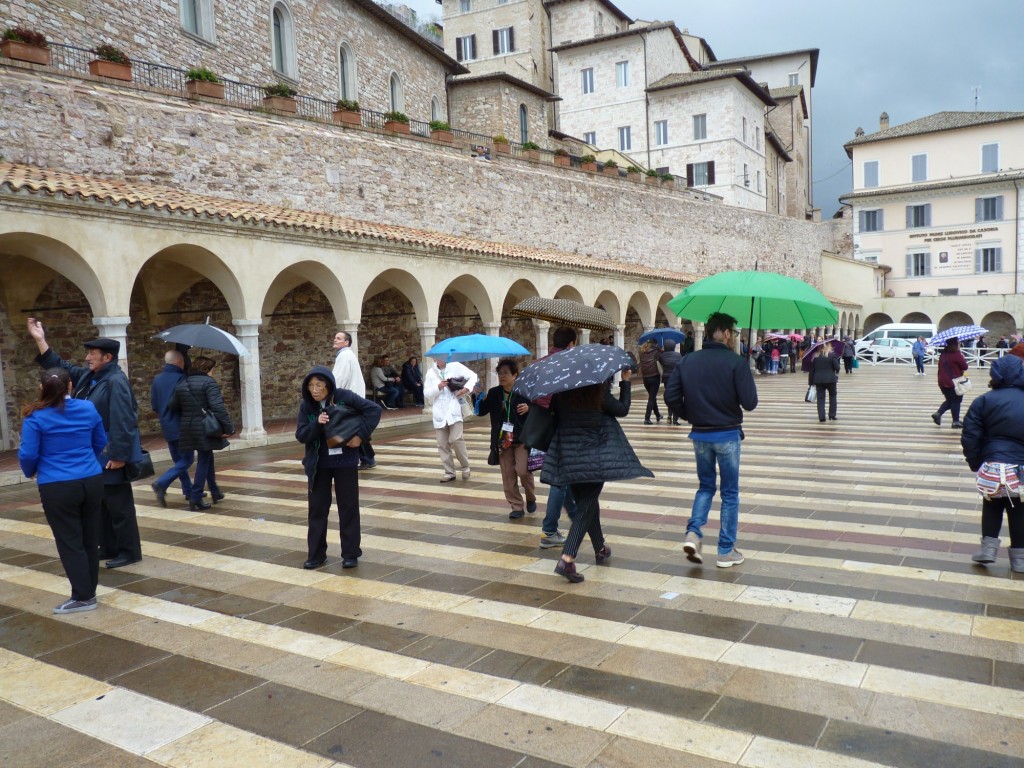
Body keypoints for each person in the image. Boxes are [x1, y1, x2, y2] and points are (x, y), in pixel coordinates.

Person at [27, 318, 144, 570]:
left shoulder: (115, 381)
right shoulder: (90, 377)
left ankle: (129, 550)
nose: (88, 358)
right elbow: (60, 367)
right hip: (97, 457)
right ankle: (110, 547)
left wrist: (119, 454)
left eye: (93, 354)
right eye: (88, 353)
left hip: (112, 454)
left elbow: (124, 420)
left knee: (119, 506)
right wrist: (40, 339)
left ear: (107, 358)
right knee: (102, 506)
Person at [665, 312, 758, 568]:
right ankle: (725, 550)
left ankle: (693, 532)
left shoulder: (688, 360)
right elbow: (750, 403)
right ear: (727, 333)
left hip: (701, 434)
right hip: (727, 434)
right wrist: (744, 372)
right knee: (729, 493)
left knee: (705, 487)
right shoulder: (735, 362)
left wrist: (691, 415)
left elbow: (671, 397)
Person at [545, 368, 652, 583]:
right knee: (586, 505)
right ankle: (567, 558)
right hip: (596, 458)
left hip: (569, 456)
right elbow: (622, 409)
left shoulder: (561, 393)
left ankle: (600, 548)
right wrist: (626, 382)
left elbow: (553, 415)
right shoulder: (598, 392)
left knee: (587, 503)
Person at [19, 368, 108, 613]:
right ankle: (89, 590)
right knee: (90, 538)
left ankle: (83, 596)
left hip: (57, 483)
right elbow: (100, 441)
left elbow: (27, 454)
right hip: (91, 478)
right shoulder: (88, 408)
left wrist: (31, 470)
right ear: (70, 385)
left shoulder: (35, 416)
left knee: (70, 541)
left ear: (42, 388)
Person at [295, 366, 381, 569]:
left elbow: (373, 410)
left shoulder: (344, 397)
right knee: (317, 509)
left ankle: (350, 553)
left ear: (329, 385)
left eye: (319, 385)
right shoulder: (306, 407)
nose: (314, 390)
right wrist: (317, 423)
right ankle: (316, 555)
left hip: (345, 461)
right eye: (310, 385)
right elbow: (301, 435)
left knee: (348, 507)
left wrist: (360, 437)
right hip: (318, 464)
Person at [960, 354, 1024, 573]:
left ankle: (988, 550)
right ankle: (1019, 559)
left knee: (992, 505)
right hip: (1020, 468)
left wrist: (975, 462)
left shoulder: (984, 401)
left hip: (993, 464)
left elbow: (970, 435)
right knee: (1018, 510)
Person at [169, 356, 233, 510]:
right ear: (206, 369)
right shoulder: (209, 383)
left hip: (188, 426)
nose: (212, 373)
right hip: (205, 427)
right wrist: (228, 428)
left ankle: (215, 491)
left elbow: (173, 405)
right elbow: (218, 407)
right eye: (212, 370)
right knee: (204, 459)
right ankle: (196, 495)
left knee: (207, 456)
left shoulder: (183, 382)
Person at [475, 358, 536, 519]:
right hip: (502, 439)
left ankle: (530, 496)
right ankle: (516, 506)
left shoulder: (524, 391)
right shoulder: (495, 393)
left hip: (521, 437)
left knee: (523, 471)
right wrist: (478, 395)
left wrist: (530, 408)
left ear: (515, 375)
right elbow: (481, 411)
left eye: (506, 373)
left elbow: (538, 408)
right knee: (508, 475)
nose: (502, 376)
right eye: (499, 373)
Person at [537, 327, 579, 548]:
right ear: (571, 343)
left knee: (565, 474)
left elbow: (536, 396)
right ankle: (549, 530)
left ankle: (577, 517)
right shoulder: (571, 366)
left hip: (545, 427)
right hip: (564, 428)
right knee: (560, 481)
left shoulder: (542, 363)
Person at [149, 349, 194, 507]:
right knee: (187, 459)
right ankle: (161, 483)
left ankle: (188, 490)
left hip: (167, 426)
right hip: (182, 425)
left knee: (178, 460)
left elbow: (154, 405)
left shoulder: (157, 379)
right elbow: (187, 403)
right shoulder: (182, 378)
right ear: (179, 362)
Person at [423, 356, 477, 482]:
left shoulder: (455, 366)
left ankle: (465, 467)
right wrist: (438, 387)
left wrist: (465, 389)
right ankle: (449, 471)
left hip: (454, 409)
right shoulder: (431, 372)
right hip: (439, 412)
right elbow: (426, 393)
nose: (439, 358)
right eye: (436, 356)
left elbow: (473, 376)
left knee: (456, 439)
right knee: (442, 443)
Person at [332, 331, 375, 470]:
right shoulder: (346, 355)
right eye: (335, 338)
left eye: (339, 338)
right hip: (352, 397)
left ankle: (365, 458)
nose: (335, 340)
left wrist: (332, 395)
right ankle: (368, 458)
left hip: (349, 399)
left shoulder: (344, 356)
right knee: (355, 428)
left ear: (346, 342)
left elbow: (339, 378)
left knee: (352, 429)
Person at [932, 337, 969, 429]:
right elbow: (965, 367)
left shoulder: (943, 354)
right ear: (955, 344)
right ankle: (955, 421)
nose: (959, 344)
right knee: (956, 401)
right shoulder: (957, 354)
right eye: (958, 343)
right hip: (953, 382)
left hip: (942, 381)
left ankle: (938, 414)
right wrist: (963, 357)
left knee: (950, 401)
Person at [809, 342, 840, 422]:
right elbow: (837, 367)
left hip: (818, 380)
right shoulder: (832, 355)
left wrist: (811, 382)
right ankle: (832, 415)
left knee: (820, 398)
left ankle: (822, 417)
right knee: (833, 397)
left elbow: (811, 370)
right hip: (831, 380)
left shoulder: (815, 356)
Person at [638, 340, 663, 424]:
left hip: (645, 378)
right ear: (655, 344)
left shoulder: (642, 353)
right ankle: (647, 418)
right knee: (652, 398)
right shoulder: (656, 352)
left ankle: (658, 415)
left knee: (652, 397)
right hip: (654, 377)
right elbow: (662, 361)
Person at [660, 341, 683, 425]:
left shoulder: (662, 356)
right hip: (676, 378)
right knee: (676, 398)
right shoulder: (678, 355)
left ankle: (669, 416)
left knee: (669, 397)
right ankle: (675, 420)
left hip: (666, 378)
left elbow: (661, 363)